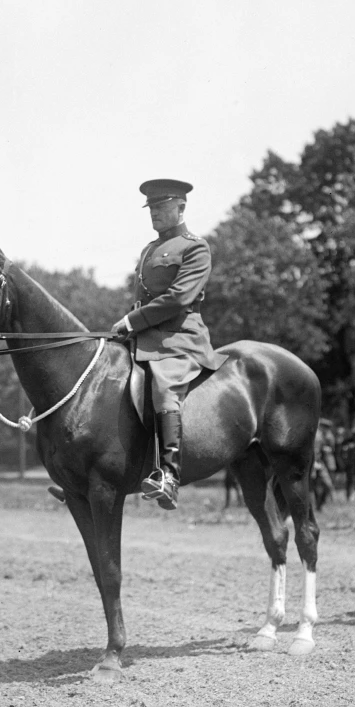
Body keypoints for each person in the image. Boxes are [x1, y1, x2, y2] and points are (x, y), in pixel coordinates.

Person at [111, 179, 228, 511]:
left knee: (164, 388)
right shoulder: (149, 250)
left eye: (162, 208)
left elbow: (179, 298)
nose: (155, 215)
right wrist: (128, 323)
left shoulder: (195, 247)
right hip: (144, 336)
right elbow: (143, 299)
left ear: (181, 208)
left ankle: (168, 476)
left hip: (181, 338)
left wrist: (134, 322)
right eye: (152, 209)